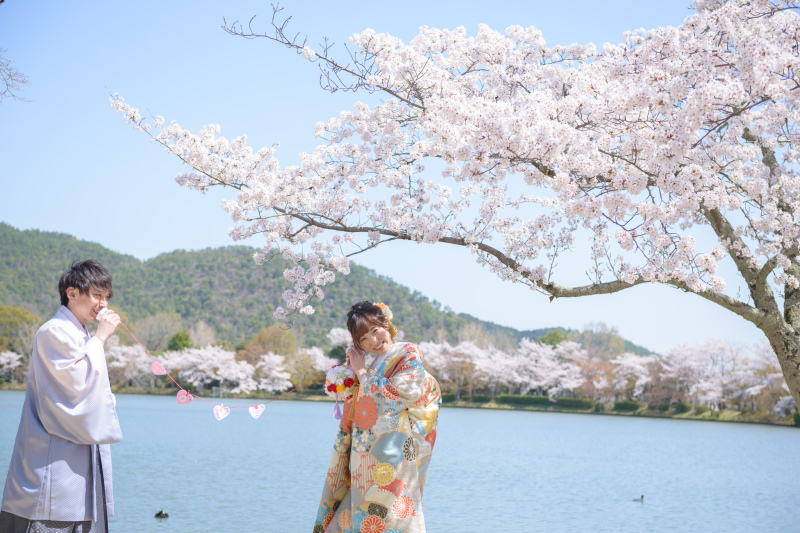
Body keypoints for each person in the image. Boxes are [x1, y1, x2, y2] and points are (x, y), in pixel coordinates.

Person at [1, 260, 123, 533]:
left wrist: (96, 340)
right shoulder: (52, 331)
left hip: (79, 461)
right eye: (96, 295)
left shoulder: (80, 335)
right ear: (72, 293)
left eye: (106, 297)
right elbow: (76, 385)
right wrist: (101, 339)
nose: (102, 304)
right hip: (51, 463)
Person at [314, 301, 441, 533]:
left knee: (385, 509)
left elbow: (404, 393)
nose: (373, 341)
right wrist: (351, 377)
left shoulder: (407, 351)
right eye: (363, 339)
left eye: (375, 331)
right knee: (352, 510)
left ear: (386, 323)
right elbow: (370, 397)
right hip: (366, 451)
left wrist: (363, 373)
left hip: (392, 450)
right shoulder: (375, 362)